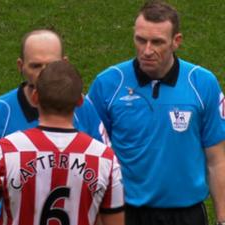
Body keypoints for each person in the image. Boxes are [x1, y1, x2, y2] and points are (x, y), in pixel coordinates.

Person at [88, 1, 225, 225]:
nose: (147, 50)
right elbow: (92, 156)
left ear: (176, 41)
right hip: (125, 213)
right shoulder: (108, 83)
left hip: (186, 215)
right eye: (141, 40)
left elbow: (217, 159)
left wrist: (223, 218)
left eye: (157, 42)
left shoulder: (202, 83)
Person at [0, 29, 109, 224]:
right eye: (36, 66)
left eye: (51, 65)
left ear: (65, 64)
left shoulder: (85, 109)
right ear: (21, 66)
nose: (44, 74)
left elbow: (102, 181)